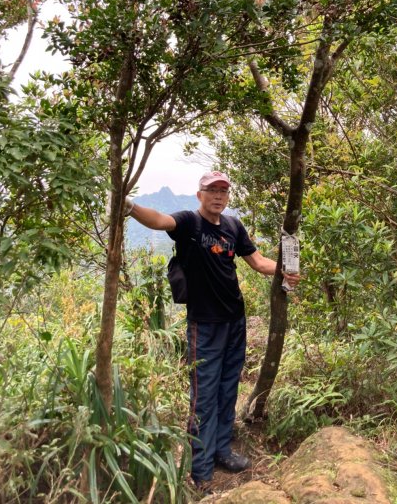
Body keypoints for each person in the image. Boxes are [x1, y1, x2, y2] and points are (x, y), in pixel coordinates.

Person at [125, 170, 300, 488]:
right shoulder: (190, 223)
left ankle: (222, 451)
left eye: (223, 190)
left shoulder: (233, 226)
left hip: (235, 321)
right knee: (203, 398)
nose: (218, 195)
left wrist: (287, 269)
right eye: (211, 190)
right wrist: (129, 206)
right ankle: (201, 470)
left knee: (227, 389)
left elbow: (259, 262)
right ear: (200, 194)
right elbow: (159, 220)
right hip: (204, 326)